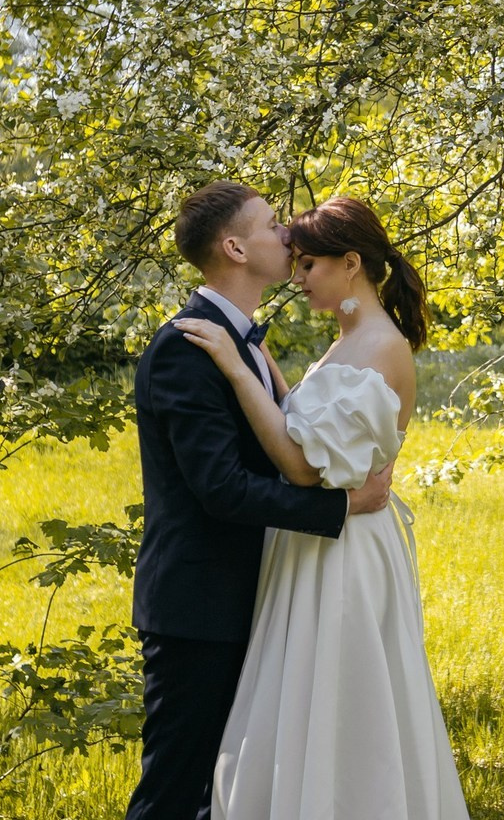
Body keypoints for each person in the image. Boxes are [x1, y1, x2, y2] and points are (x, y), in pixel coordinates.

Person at [174, 196, 470, 820]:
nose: (299, 275)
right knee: (297, 702)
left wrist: (235, 369)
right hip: (315, 542)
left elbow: (303, 465)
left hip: (345, 550)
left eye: (310, 264)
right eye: (297, 261)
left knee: (343, 704)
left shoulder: (379, 346)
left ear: (352, 262)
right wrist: (269, 373)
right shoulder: (349, 340)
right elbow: (306, 422)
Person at [125, 182, 393, 820]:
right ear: (235, 246)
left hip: (261, 596)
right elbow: (219, 489)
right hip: (199, 606)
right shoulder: (185, 349)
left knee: (231, 796)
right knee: (174, 793)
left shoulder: (243, 341)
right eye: (273, 225)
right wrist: (342, 508)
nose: (288, 236)